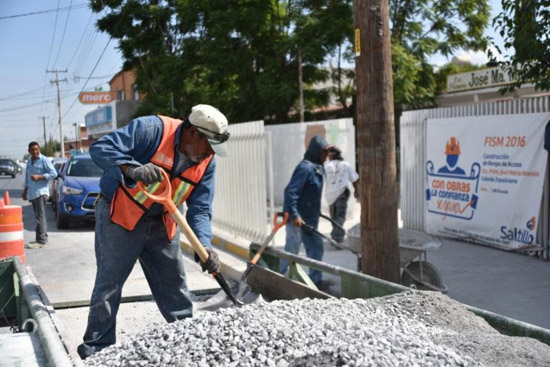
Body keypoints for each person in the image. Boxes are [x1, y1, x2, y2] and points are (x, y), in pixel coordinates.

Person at [77, 104, 228, 359]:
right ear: (192, 132)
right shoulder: (152, 130)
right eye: (209, 145)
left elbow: (200, 210)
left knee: (175, 286)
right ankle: (96, 351)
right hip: (121, 217)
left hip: (162, 224)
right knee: (109, 285)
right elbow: (100, 148)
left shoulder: (206, 162)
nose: (210, 153)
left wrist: (205, 247)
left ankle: (187, 343)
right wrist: (131, 168)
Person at [279, 135, 334, 290]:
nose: (327, 155)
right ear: (317, 151)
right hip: (297, 220)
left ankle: (316, 282)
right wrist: (295, 215)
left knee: (316, 248)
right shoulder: (305, 168)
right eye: (325, 152)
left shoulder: (317, 167)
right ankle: (276, 276)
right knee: (292, 251)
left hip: (310, 220)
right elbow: (290, 192)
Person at [22, 141, 57, 249]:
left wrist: (40, 177)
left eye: (37, 149)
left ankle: (42, 241)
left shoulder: (44, 160)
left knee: (40, 217)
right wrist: (25, 191)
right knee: (38, 217)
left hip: (41, 192)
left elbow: (54, 173)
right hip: (33, 193)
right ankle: (39, 239)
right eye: (33, 150)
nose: (35, 151)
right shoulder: (29, 162)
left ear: (39, 149)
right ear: (29, 151)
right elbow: (27, 178)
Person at [324, 148, 359, 244]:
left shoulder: (326, 166)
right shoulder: (346, 165)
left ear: (331, 155)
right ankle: (337, 236)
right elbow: (355, 179)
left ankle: (336, 236)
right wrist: (356, 190)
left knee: (334, 217)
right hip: (342, 193)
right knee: (340, 216)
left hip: (330, 195)